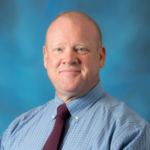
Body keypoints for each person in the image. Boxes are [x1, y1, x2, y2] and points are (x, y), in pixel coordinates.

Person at [0, 11, 150, 150]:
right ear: (46, 57)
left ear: (101, 56)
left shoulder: (131, 132)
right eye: (59, 49)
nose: (69, 59)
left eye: (81, 49)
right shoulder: (17, 130)